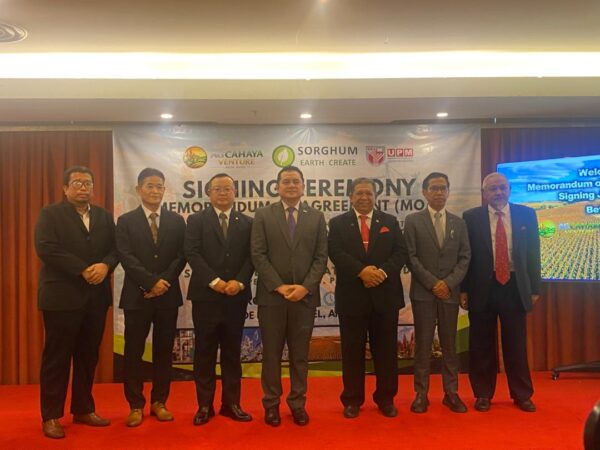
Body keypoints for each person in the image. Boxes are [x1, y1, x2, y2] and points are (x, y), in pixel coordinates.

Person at [34, 166, 119, 439]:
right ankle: (51, 415)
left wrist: (105, 266)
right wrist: (82, 269)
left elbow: (116, 249)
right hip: (61, 297)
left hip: (96, 298)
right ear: (65, 188)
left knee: (87, 356)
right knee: (57, 358)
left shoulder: (104, 216)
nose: (83, 187)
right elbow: (46, 247)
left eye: (88, 183)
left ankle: (83, 409)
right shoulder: (50, 214)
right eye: (77, 183)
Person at [251, 166, 328, 426]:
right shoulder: (263, 215)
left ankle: (297, 403)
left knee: (300, 355)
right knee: (271, 355)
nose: (291, 185)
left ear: (304, 186)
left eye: (296, 181)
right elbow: (258, 255)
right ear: (277, 186)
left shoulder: (316, 217)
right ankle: (271, 404)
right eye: (286, 181)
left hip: (304, 299)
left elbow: (321, 257)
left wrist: (305, 287)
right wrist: (279, 286)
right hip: (272, 298)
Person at [460, 172, 541, 413]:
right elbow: (465, 257)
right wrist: (463, 289)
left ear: (509, 190)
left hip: (515, 286)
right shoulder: (471, 217)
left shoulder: (526, 214)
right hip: (481, 287)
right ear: (484, 193)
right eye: (493, 188)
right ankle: (483, 394)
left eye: (502, 187)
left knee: (516, 344)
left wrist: (534, 288)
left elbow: (533, 253)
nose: (498, 192)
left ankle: (522, 394)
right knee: (481, 344)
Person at [328, 177, 408, 419]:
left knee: (386, 352)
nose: (364, 197)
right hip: (352, 297)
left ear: (375, 196)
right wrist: (361, 271)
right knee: (352, 352)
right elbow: (335, 252)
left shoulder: (390, 222)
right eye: (359, 193)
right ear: (351, 197)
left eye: (368, 193)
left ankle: (386, 399)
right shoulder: (338, 223)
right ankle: (352, 400)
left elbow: (401, 252)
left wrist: (381, 272)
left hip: (385, 297)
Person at [116, 168, 186, 427]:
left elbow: (181, 255)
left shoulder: (177, 221)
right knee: (133, 351)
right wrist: (150, 282)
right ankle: (135, 405)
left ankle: (160, 401)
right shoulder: (125, 221)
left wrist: (163, 282)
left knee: (164, 351)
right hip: (137, 296)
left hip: (167, 295)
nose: (155, 191)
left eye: (159, 186)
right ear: (138, 189)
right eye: (149, 186)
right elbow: (126, 256)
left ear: (164, 190)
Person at [185, 173, 254, 425]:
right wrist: (214, 281)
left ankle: (231, 403)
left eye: (228, 188)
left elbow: (252, 255)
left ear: (235, 192)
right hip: (206, 296)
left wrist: (240, 281)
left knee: (232, 352)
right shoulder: (196, 220)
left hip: (236, 297)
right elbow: (191, 252)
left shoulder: (247, 222)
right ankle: (204, 405)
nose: (223, 193)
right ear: (208, 193)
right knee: (204, 351)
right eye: (218, 189)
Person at [404, 172, 471, 414]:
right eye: (434, 188)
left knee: (450, 345)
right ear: (424, 192)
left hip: (449, 294)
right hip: (424, 293)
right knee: (422, 345)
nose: (439, 192)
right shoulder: (413, 221)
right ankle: (421, 394)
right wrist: (433, 283)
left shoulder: (458, 223)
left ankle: (451, 393)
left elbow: (465, 257)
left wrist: (448, 283)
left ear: (448, 192)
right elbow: (410, 257)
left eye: (443, 188)